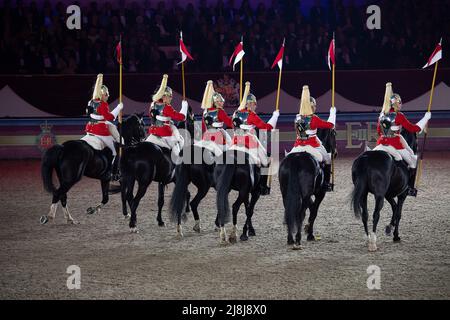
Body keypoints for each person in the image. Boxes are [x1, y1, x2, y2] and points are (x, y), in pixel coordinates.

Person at [375, 82, 431, 196]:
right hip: (395, 145)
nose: (401, 105)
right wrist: (426, 118)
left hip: (381, 143)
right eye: (400, 103)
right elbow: (413, 128)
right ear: (396, 104)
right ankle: (409, 188)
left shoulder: (382, 115)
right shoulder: (399, 116)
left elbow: (379, 132)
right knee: (413, 162)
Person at [231, 81, 279, 195]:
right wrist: (275, 116)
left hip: (235, 141)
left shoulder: (235, 113)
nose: (256, 106)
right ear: (249, 104)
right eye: (254, 104)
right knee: (265, 161)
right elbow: (266, 127)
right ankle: (262, 186)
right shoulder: (251, 115)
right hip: (248, 141)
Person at [290, 85, 336, 191]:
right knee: (327, 159)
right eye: (314, 106)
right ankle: (326, 183)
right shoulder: (314, 118)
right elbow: (330, 125)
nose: (315, 108)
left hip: (297, 145)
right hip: (312, 145)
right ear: (311, 106)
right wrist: (332, 113)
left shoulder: (297, 118)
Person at [84, 73, 123, 180]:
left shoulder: (90, 102)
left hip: (90, 128)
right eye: (106, 94)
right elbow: (109, 117)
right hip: (100, 131)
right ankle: (111, 172)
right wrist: (118, 108)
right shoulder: (103, 104)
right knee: (114, 151)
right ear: (101, 95)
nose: (108, 95)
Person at [146, 74, 188, 161]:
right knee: (177, 147)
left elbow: (151, 115)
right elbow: (181, 117)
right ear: (163, 96)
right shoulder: (166, 107)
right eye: (169, 96)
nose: (171, 98)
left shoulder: (152, 105)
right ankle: (177, 167)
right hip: (164, 133)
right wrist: (184, 106)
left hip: (153, 132)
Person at [200, 80, 233, 150]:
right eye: (221, 101)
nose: (222, 103)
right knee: (230, 148)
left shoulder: (205, 111)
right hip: (217, 137)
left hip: (206, 136)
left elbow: (203, 126)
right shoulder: (220, 111)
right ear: (216, 103)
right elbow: (229, 123)